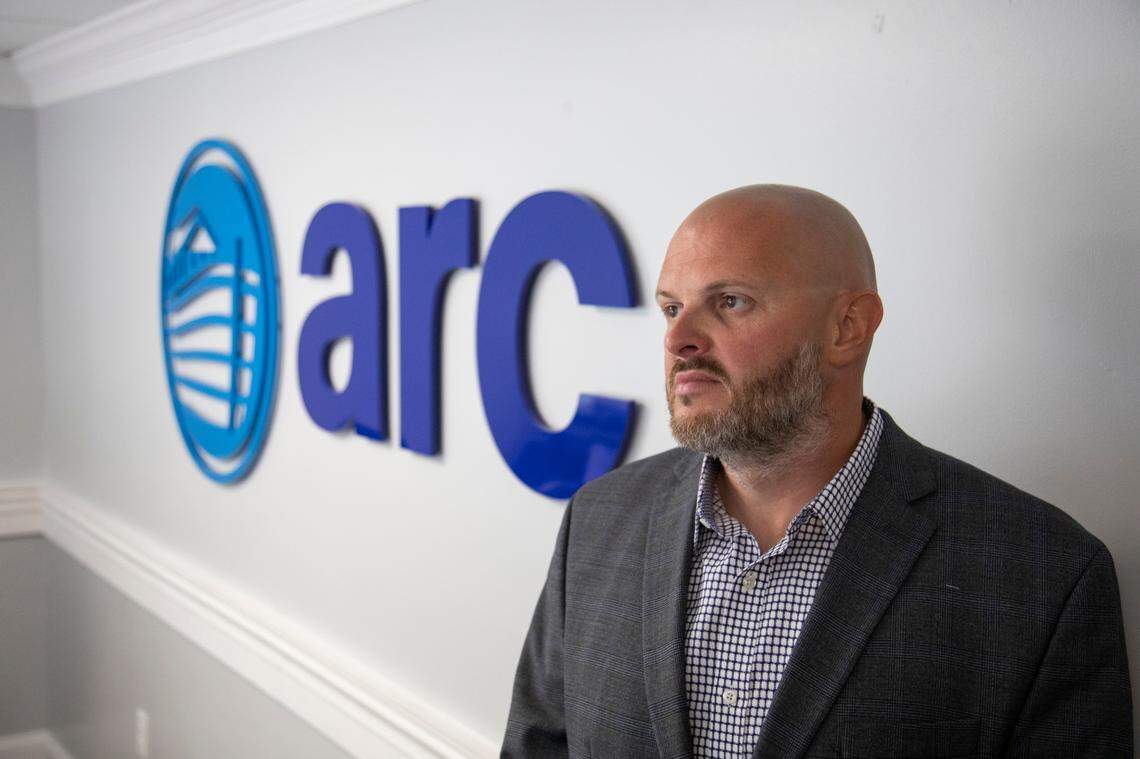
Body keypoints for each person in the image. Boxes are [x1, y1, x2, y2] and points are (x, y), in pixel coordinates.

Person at [500, 185, 1133, 758]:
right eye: (671, 308)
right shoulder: (600, 519)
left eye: (730, 301)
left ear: (847, 327)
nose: (679, 340)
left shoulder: (1042, 572)